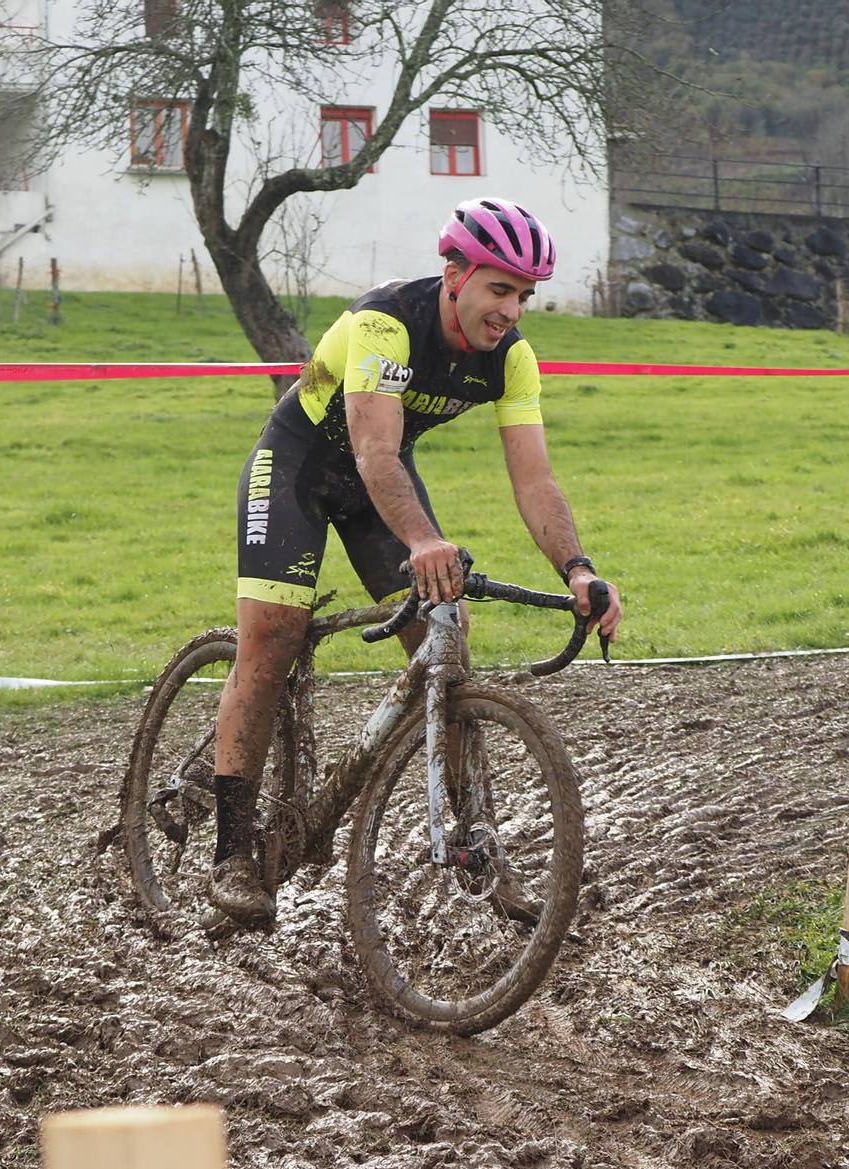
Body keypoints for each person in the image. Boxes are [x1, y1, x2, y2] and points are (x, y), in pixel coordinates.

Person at [209, 197, 622, 923]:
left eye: (526, 295)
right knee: (271, 639)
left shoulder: (511, 358)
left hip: (381, 484)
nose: (513, 311)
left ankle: (477, 845)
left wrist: (578, 570)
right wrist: (425, 540)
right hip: (301, 467)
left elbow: (535, 478)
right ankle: (233, 856)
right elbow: (371, 449)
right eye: (501, 289)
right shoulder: (384, 324)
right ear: (455, 275)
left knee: (447, 639)